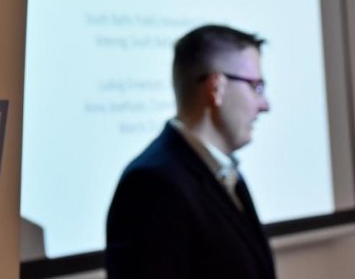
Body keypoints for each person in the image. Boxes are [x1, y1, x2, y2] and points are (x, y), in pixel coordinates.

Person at [106, 24, 275, 278]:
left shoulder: (223, 170)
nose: (265, 105)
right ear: (216, 87)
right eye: (256, 86)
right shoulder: (151, 185)